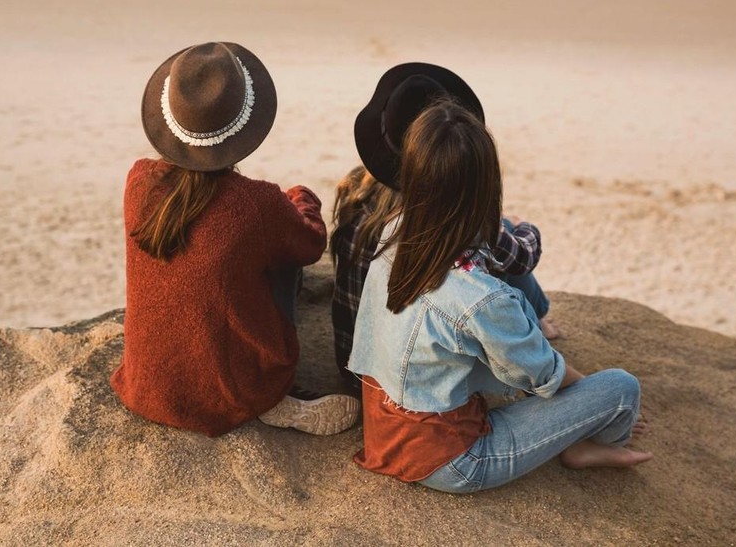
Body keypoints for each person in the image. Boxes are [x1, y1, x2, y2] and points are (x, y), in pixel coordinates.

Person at [348, 100, 652, 493]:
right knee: (621, 388)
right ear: (486, 188)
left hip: (384, 428)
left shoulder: (395, 230)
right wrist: (593, 398)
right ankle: (590, 445)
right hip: (453, 461)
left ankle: (585, 427)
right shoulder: (479, 297)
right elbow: (544, 374)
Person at [110, 42, 359, 437]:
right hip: (229, 391)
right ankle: (275, 396)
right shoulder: (255, 204)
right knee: (281, 261)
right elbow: (311, 245)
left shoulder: (138, 180)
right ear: (243, 125)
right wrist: (300, 198)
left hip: (147, 387)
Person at [331, 63, 560, 392]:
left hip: (354, 366)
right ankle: (536, 318)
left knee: (494, 238)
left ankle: (536, 317)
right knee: (504, 232)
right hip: (412, 383)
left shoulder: (356, 191)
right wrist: (526, 228)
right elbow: (522, 257)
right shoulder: (441, 220)